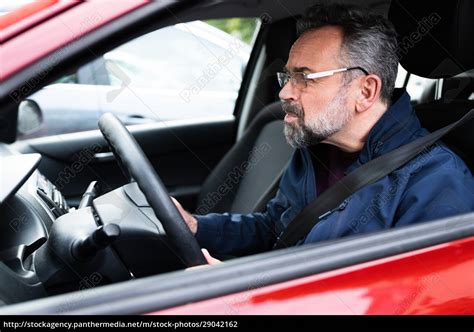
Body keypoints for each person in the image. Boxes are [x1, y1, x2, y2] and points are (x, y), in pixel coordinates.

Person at [173, 3, 474, 262]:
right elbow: (275, 229)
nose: (284, 92)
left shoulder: (437, 182)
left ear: (365, 91)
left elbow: (408, 301)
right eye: (288, 76)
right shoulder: (316, 147)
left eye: (305, 77)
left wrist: (248, 298)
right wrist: (197, 227)